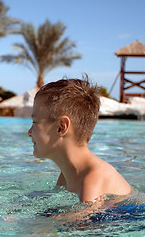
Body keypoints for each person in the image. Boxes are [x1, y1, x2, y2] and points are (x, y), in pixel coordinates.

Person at [28, 76, 132, 205]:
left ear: (61, 127)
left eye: (35, 122)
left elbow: (82, 222)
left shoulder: (93, 179)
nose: (29, 132)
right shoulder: (67, 175)